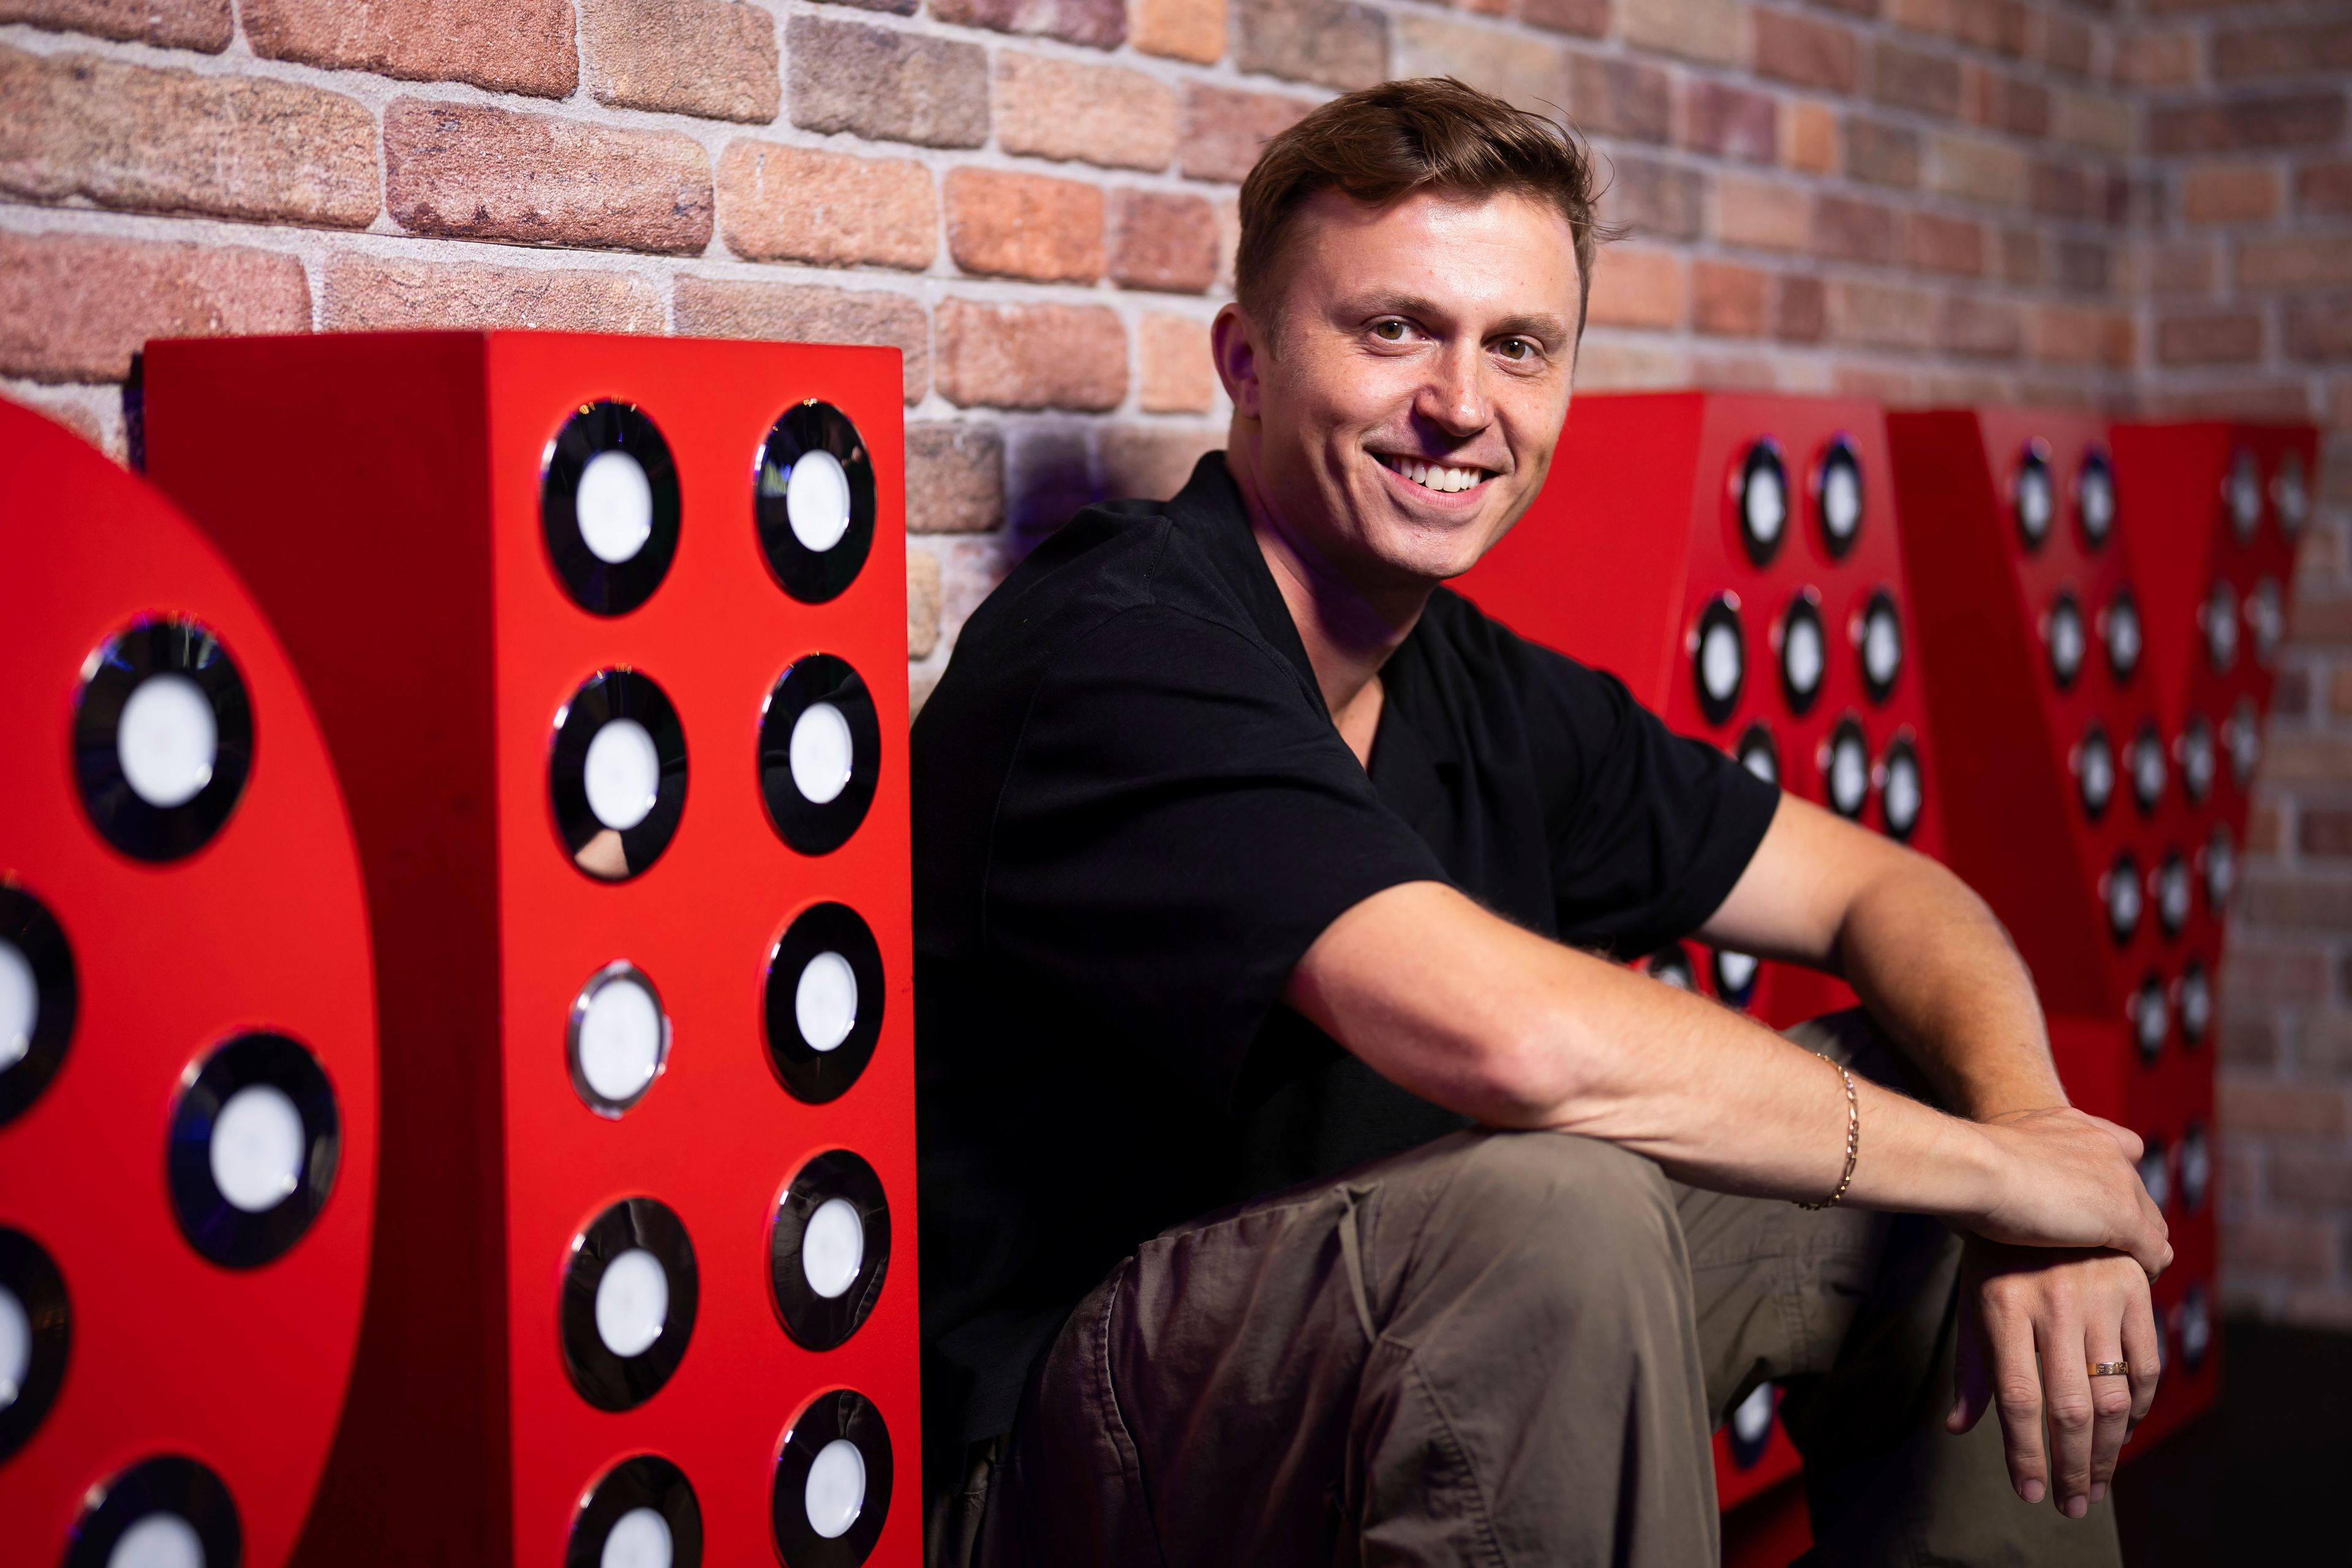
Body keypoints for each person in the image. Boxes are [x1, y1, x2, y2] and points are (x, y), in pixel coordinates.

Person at [912, 75, 2168, 1567]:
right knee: (1561, 1208)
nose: (1461, 402)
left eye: (1518, 346)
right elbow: (1512, 1037)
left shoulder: (1475, 681)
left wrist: (2025, 1142)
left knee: (1935, 1081)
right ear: (1245, 359)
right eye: (1394, 329)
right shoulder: (1116, 649)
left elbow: (1883, 891)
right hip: (1073, 1469)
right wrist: (2015, 1172)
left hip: (1405, 1356)